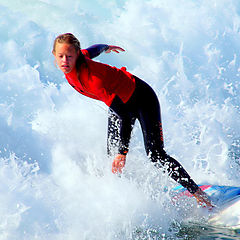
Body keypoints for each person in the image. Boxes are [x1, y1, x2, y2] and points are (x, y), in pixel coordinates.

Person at [52, 33, 213, 209]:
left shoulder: (93, 80)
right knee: (111, 154)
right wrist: (106, 47)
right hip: (119, 103)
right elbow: (92, 50)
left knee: (155, 155)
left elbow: (126, 116)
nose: (65, 61)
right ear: (54, 55)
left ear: (76, 56)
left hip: (142, 99)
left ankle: (199, 194)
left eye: (69, 56)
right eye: (60, 56)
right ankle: (116, 195)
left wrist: (123, 151)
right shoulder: (75, 63)